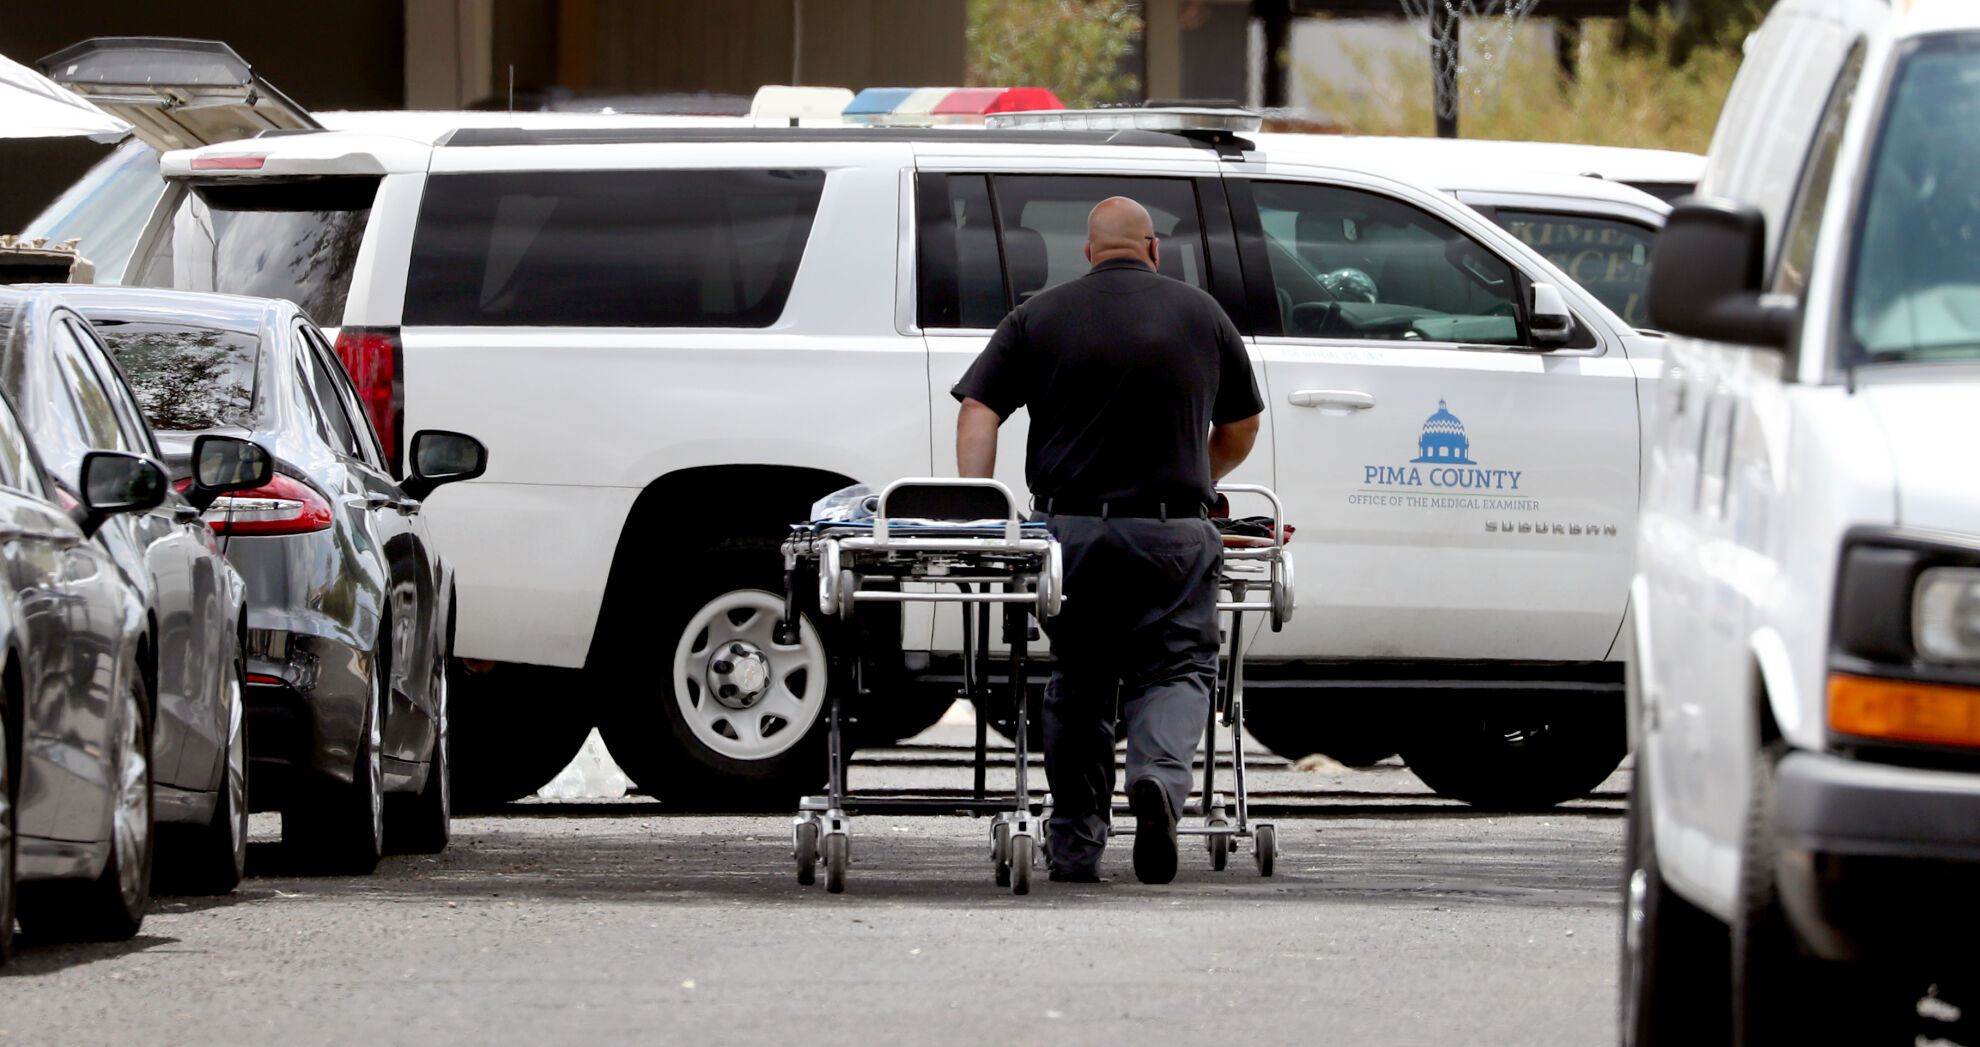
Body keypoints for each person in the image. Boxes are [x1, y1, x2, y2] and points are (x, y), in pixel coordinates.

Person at [951, 196, 1263, 884]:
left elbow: (980, 407)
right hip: (1175, 533)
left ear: (1087, 253)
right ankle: (1155, 781)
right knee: (1178, 668)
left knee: (1080, 682)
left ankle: (1075, 846)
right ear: (1154, 249)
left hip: (1074, 535)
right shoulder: (1203, 314)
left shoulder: (1039, 315)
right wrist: (1197, 480)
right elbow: (1242, 426)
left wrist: (979, 503)